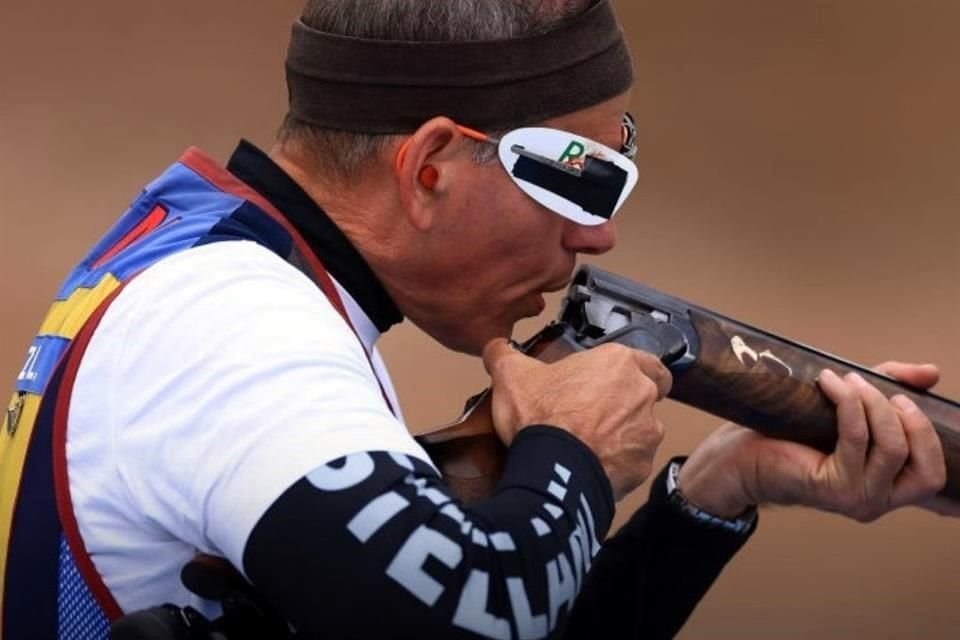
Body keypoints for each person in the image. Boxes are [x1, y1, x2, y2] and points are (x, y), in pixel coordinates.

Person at [0, 1, 951, 638]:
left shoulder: (212, 257)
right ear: (428, 170)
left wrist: (718, 489)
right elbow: (473, 613)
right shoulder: (233, 317)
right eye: (579, 181)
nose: (600, 235)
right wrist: (569, 450)